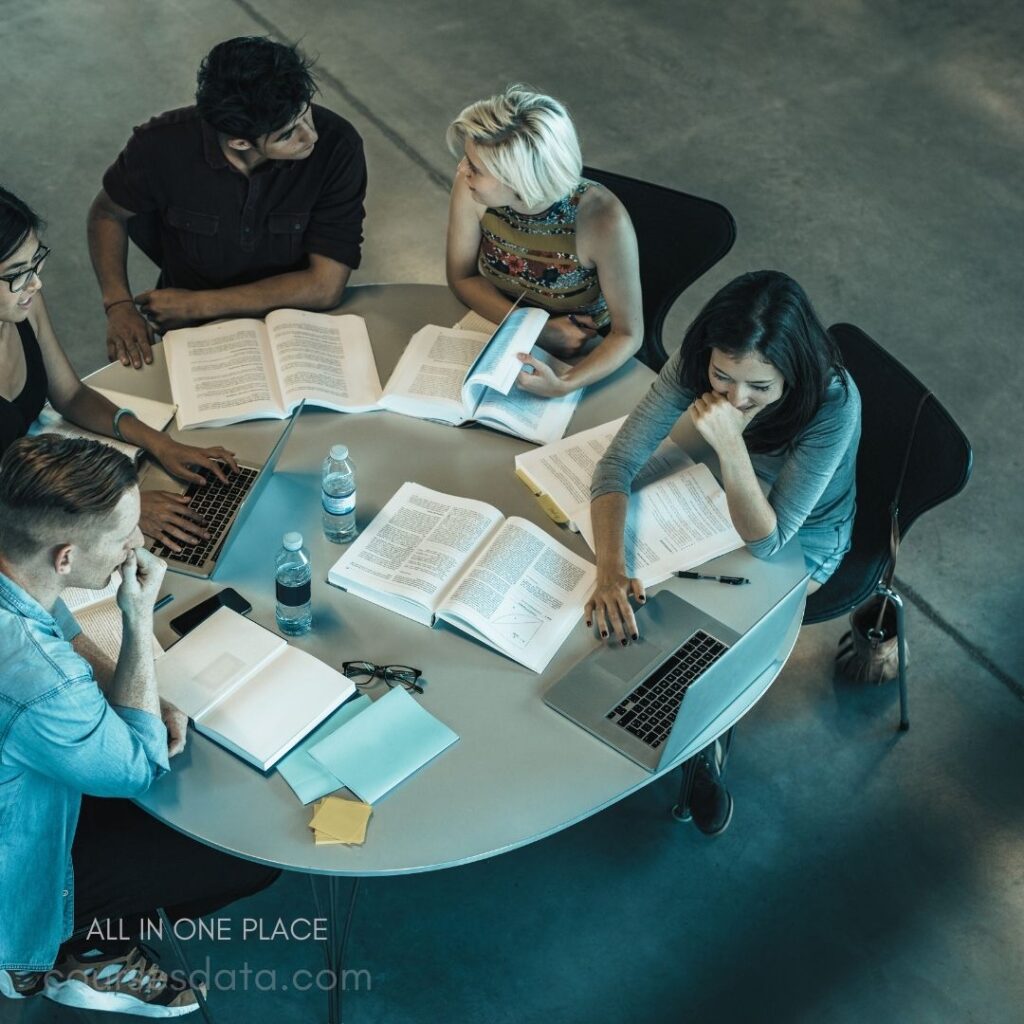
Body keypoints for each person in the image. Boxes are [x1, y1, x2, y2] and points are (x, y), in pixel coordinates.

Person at [0, 435, 279, 1016]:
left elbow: (64, 630)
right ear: (66, 558)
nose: (139, 541)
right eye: (125, 534)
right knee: (247, 854)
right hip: (16, 867)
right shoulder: (41, 677)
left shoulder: (17, 565)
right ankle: (74, 951)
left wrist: (129, 694)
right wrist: (135, 617)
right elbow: (134, 767)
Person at [587, 270, 861, 834]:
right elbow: (615, 467)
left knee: (712, 627)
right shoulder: (698, 364)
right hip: (718, 491)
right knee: (645, 593)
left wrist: (731, 444)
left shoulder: (834, 403)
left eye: (759, 387)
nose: (735, 397)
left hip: (806, 537)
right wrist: (611, 569)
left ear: (793, 371)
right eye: (722, 377)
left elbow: (771, 541)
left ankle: (702, 751)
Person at [88, 36, 368, 369]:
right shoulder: (159, 147)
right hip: (195, 335)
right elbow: (107, 214)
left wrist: (198, 305)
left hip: (296, 326)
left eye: (306, 112)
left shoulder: (338, 146)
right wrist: (119, 305)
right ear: (238, 142)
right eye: (288, 134)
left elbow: (324, 286)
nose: (311, 135)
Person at [0, 185, 239, 553]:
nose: (36, 282)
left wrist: (159, 442)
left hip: (41, 475)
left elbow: (71, 394)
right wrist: (115, 515)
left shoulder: (23, 304)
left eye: (36, 262)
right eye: (17, 273)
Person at [445, 85, 643, 397]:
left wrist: (565, 384)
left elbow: (629, 334)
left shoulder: (603, 220)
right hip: (502, 324)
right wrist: (540, 331)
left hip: (580, 349)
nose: (461, 169)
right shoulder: (471, 189)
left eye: (475, 167)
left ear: (520, 178)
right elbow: (462, 278)